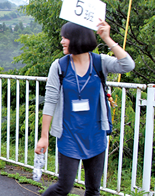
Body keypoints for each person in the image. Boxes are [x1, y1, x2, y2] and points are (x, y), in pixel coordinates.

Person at [35, 21, 135, 195]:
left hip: (96, 135)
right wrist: (44, 137)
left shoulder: (100, 62)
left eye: (65, 38)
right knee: (63, 187)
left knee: (93, 190)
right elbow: (50, 102)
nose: (62, 42)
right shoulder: (59, 66)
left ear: (77, 39)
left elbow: (127, 65)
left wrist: (107, 38)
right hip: (69, 135)